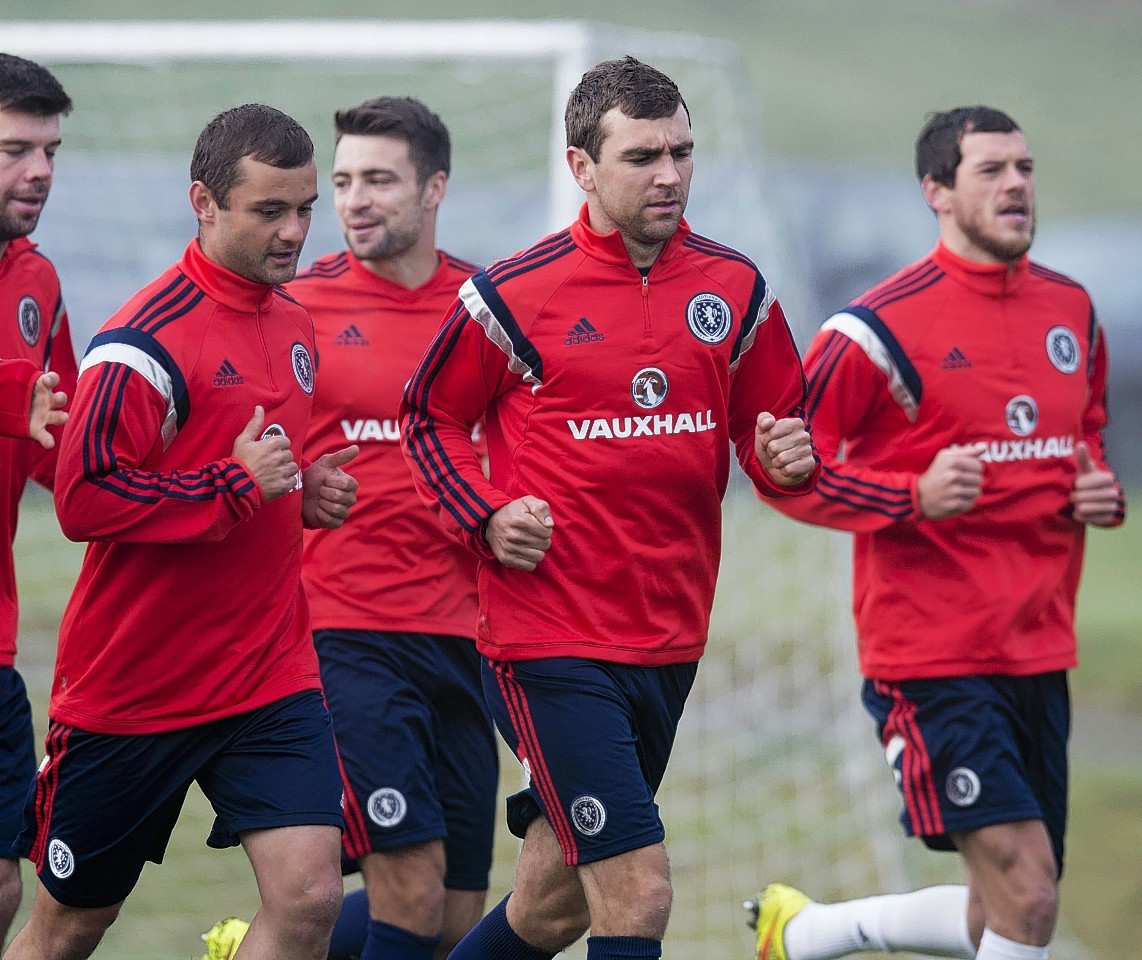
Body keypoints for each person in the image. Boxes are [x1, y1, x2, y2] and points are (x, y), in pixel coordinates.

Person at [399, 56, 818, 960]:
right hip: (547, 639)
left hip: (668, 636)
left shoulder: (734, 289)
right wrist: (483, 515)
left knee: (552, 906)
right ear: (582, 168)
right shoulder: (513, 294)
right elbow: (425, 416)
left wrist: (786, 458)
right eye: (642, 157)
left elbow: (776, 432)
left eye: (682, 152)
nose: (669, 174)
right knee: (640, 893)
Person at [746, 106, 1126, 960]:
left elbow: (1085, 429)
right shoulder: (872, 330)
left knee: (1009, 905)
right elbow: (783, 469)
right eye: (991, 170)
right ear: (937, 192)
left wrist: (1094, 485)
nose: (1017, 184)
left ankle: (804, 934)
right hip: (931, 659)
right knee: (1028, 896)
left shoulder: (1072, 310)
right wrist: (908, 496)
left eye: (1025, 167)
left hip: (1038, 650)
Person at [3, 102, 360, 960]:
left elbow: (273, 464)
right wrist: (235, 487)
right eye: (268, 211)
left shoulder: (297, 322)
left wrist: (304, 491)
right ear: (203, 201)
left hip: (268, 674)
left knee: (311, 897)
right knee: (69, 928)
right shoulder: (140, 343)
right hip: (135, 692)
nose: (293, 231)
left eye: (304, 208)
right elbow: (84, 499)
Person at [201, 95, 500, 960]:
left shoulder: (487, 307)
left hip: (468, 636)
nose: (354, 200)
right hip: (342, 632)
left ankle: (249, 947)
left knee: (452, 914)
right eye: (341, 182)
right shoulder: (299, 306)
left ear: (435, 186)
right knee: (407, 878)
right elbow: (237, 449)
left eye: (379, 179)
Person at [0, 52, 77, 947]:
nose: (42, 171)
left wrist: (226, 486)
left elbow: (66, 443)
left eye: (51, 149)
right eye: (17, 148)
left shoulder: (36, 277)